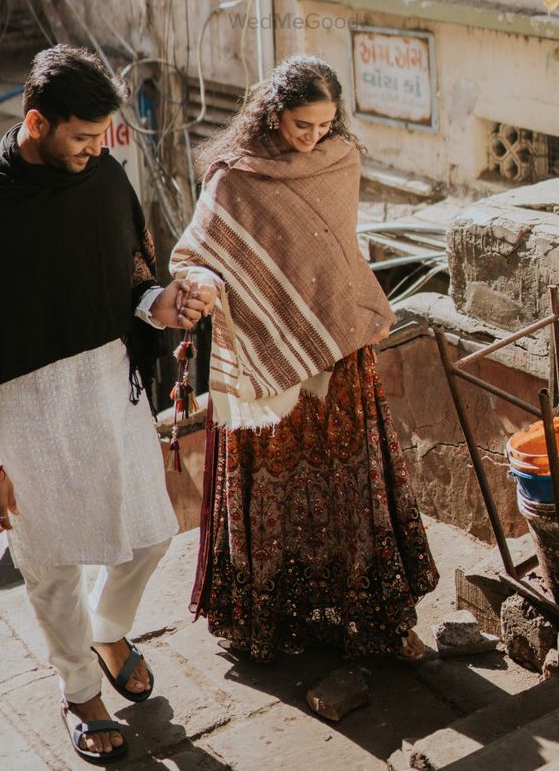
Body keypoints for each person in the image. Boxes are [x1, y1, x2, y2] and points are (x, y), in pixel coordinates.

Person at [0, 45, 216, 766]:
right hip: (23, 417)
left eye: (103, 138)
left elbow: (131, 288)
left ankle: (110, 626)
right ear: (36, 123)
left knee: (152, 532)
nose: (98, 151)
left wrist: (167, 304)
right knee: (53, 564)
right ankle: (80, 690)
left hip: (107, 392)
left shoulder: (101, 180)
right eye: (83, 138)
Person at [170, 54, 439, 662]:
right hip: (269, 375)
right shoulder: (234, 179)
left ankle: (377, 621)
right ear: (273, 113)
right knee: (275, 491)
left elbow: (332, 252)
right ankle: (271, 624)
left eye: (325, 124)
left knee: (350, 482)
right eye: (302, 126)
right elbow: (190, 254)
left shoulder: (340, 162)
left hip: (339, 354)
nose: (314, 136)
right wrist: (209, 283)